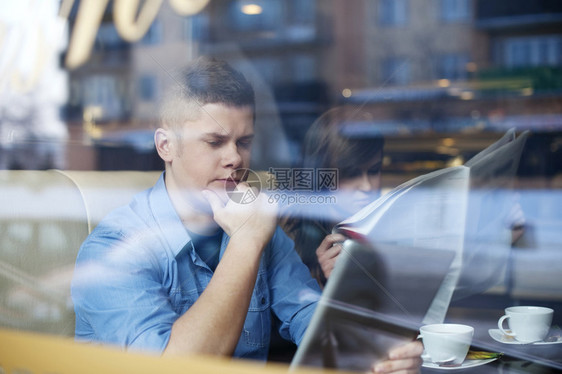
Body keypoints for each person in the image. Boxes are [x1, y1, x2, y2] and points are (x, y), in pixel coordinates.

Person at [70, 57, 422, 373]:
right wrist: (246, 242)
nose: (235, 159)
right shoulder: (112, 249)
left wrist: (375, 352)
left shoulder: (256, 224)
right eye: (214, 142)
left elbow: (307, 314)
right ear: (166, 146)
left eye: (244, 142)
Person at [282, 106, 385, 285]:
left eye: (374, 171)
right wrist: (323, 283)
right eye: (352, 174)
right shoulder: (288, 238)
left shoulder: (381, 225)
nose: (367, 186)